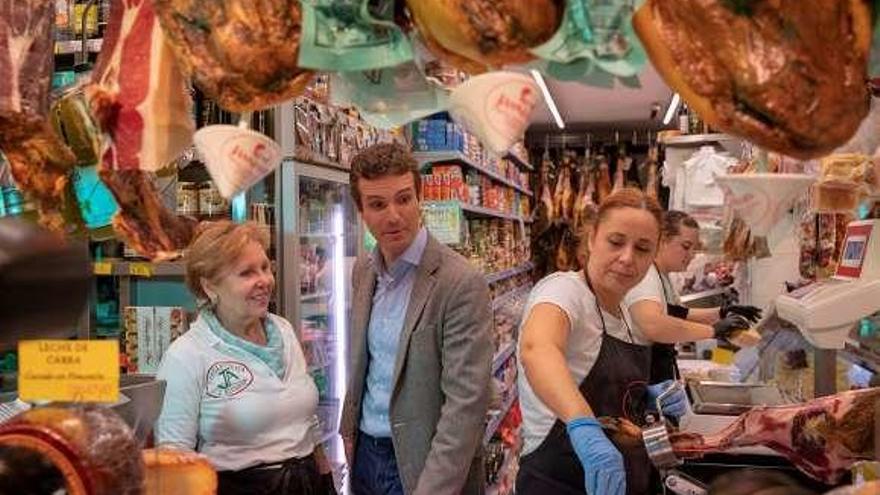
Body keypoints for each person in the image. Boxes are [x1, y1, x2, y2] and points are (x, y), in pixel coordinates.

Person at [340, 142, 493, 495]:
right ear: (361, 210)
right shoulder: (364, 269)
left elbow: (466, 404)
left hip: (422, 464)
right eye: (377, 204)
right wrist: (348, 432)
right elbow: (364, 363)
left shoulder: (459, 282)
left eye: (404, 199)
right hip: (365, 456)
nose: (394, 215)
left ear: (419, 199)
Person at [515, 188, 690, 495]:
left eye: (642, 248)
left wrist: (645, 397)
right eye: (616, 242)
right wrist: (582, 425)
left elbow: (612, 395)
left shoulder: (624, 310)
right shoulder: (562, 291)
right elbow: (538, 349)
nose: (627, 258)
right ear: (593, 237)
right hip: (558, 481)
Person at [155, 221, 334, 495]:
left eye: (264, 267)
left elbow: (306, 420)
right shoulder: (186, 356)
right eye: (246, 273)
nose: (264, 280)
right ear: (209, 286)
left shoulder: (283, 331)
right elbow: (173, 458)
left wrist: (326, 478)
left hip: (308, 483)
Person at [624, 210, 762, 382]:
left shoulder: (662, 276)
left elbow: (679, 314)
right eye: (686, 246)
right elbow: (653, 325)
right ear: (662, 240)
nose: (691, 255)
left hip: (653, 370)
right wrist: (713, 330)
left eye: (694, 249)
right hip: (640, 372)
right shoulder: (646, 276)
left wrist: (723, 312)